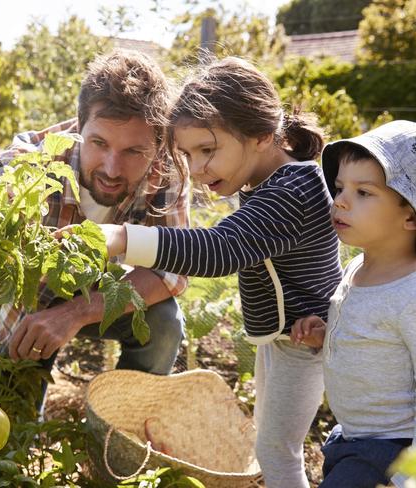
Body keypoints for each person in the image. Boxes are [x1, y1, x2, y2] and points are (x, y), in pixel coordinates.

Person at [93, 56, 343, 488]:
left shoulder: (292, 191)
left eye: (208, 150)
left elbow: (219, 250)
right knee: (273, 442)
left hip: (306, 342)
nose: (197, 167)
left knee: (276, 453)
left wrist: (120, 237)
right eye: (188, 154)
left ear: (263, 135)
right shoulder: (272, 184)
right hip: (287, 340)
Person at [0, 50, 189, 388]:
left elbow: (171, 268)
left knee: (164, 322)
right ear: (79, 126)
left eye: (133, 152)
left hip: (99, 293)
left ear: (157, 143)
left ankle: (123, 424)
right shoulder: (35, 160)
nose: (111, 168)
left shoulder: (168, 169)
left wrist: (74, 313)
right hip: (28, 304)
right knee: (11, 412)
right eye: (99, 143)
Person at [290, 120, 416, 488]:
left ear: (411, 214)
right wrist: (328, 334)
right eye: (339, 188)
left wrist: (412, 477)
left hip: (389, 450)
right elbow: (371, 339)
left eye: (363, 192)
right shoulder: (356, 268)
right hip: (350, 437)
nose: (341, 200)